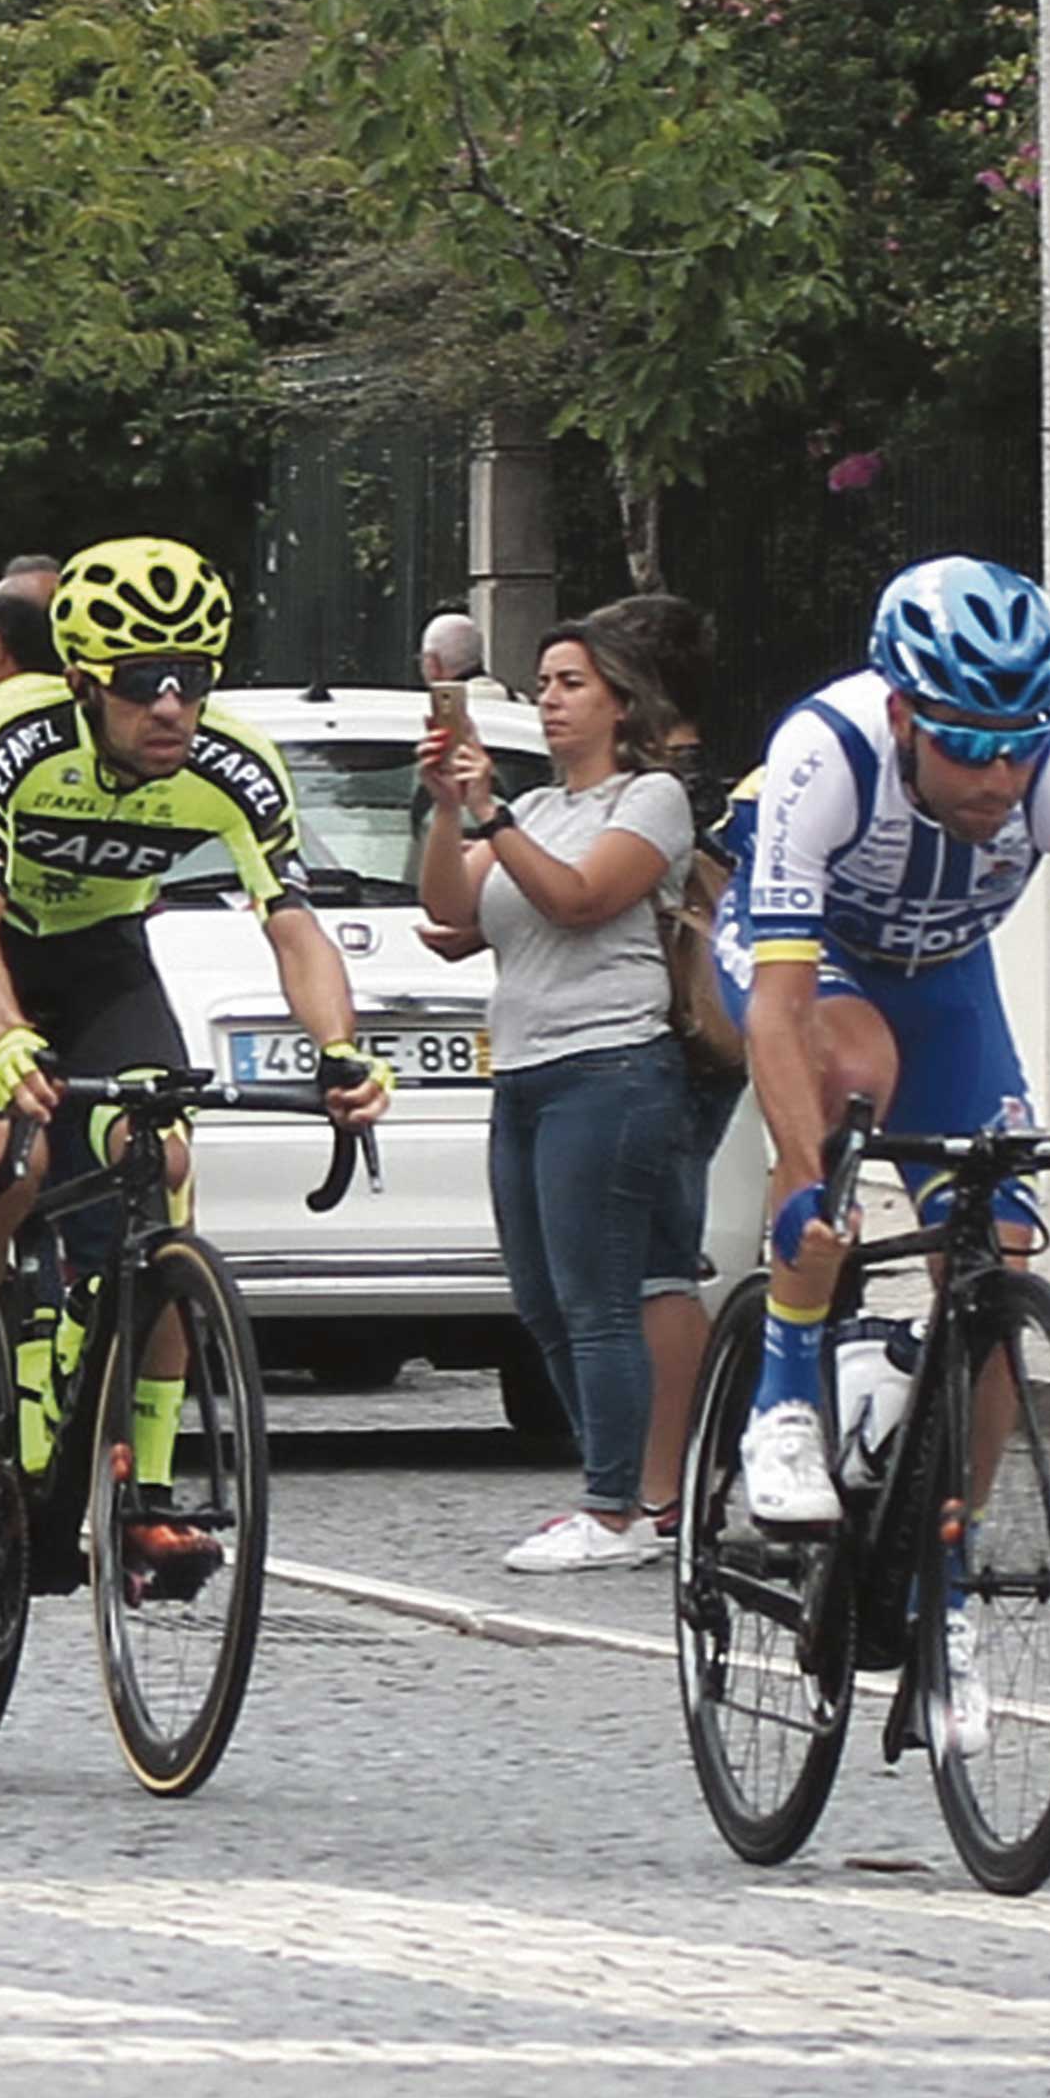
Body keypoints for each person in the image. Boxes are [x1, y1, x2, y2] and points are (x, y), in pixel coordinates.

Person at [0, 541, 393, 1562]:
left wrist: (339, 1047)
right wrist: (9, 1039)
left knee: (160, 1169)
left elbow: (292, 925)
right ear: (80, 683)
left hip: (101, 957)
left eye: (191, 681)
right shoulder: (10, 735)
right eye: (142, 684)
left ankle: (146, 1484)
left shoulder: (234, 764)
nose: (170, 707)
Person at [706, 556, 1050, 1553]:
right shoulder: (826, 751)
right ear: (903, 715)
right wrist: (810, 1178)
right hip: (814, 963)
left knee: (996, 1267)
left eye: (1017, 748)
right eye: (968, 745)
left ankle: (943, 1578)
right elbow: (778, 1004)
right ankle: (784, 1401)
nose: (997, 777)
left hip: (946, 979)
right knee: (854, 1074)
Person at [419, 592, 721, 1563]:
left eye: (570, 685)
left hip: (611, 1065)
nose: (549, 702)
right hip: (526, 1071)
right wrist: (443, 812)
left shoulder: (650, 801)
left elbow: (583, 898)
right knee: (544, 1300)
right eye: (543, 684)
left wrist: (493, 816)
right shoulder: (541, 807)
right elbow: (447, 907)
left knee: (603, 1296)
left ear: (618, 704)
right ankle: (617, 1485)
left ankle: (619, 1508)